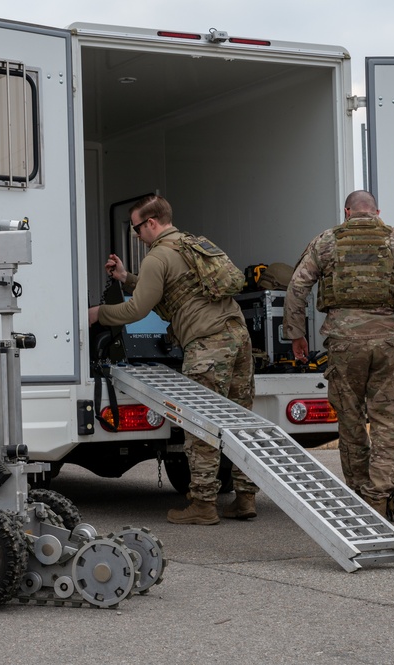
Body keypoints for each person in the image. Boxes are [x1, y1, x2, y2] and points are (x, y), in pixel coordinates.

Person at [87, 194, 260, 525]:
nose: (136, 235)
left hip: (207, 344)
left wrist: (98, 314)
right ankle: (245, 498)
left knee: (201, 424)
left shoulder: (157, 257)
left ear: (151, 223)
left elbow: (137, 308)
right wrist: (126, 277)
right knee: (240, 421)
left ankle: (204, 506)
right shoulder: (191, 245)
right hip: (238, 338)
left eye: (137, 228)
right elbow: (168, 289)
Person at [282, 190, 394, 517]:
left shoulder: (325, 242)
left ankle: (359, 495)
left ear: (347, 212)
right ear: (377, 211)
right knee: (388, 421)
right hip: (388, 342)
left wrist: (295, 335)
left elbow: (297, 289)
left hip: (343, 343)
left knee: (349, 422)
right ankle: (378, 497)